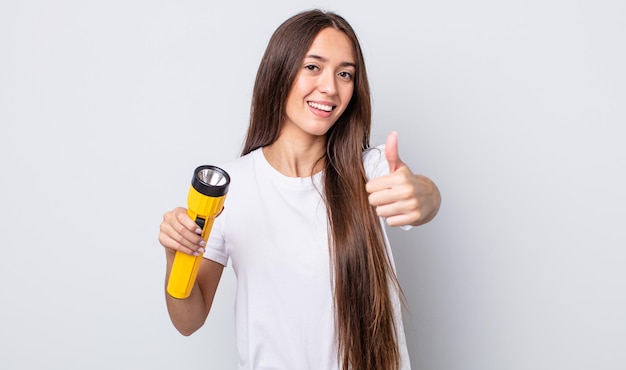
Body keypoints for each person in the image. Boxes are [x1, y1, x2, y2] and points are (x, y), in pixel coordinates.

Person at [158, 9, 441, 370]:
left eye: (345, 74)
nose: (330, 87)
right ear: (280, 71)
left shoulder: (368, 170)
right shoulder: (232, 186)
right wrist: (175, 255)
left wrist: (423, 194)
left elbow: (424, 196)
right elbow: (188, 321)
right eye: (313, 67)